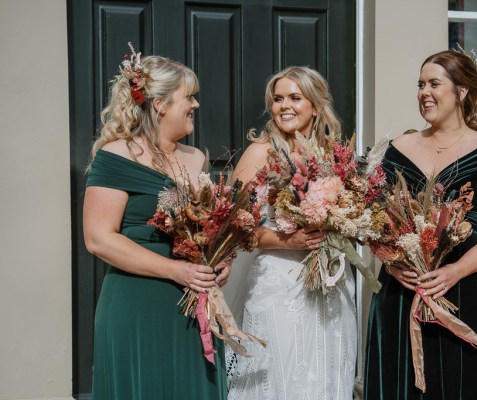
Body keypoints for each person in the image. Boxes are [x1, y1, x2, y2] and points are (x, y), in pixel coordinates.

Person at [363, 49, 477, 399]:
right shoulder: (396, 150)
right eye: (420, 84)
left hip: (464, 290)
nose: (424, 92)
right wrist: (390, 261)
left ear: (461, 91)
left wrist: (455, 271)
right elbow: (370, 220)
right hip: (402, 291)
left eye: (435, 83)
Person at [83, 46, 230, 399]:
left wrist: (220, 259)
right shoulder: (117, 155)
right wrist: (174, 270)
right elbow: (99, 239)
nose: (195, 105)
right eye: (188, 98)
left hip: (195, 304)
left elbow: (205, 228)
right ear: (161, 104)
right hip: (138, 303)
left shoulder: (196, 158)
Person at [227, 66, 358, 399]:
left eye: (295, 98)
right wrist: (288, 240)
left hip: (330, 285)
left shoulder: (334, 157)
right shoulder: (261, 152)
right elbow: (232, 223)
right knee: (279, 375)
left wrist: (346, 224)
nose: (284, 106)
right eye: (278, 99)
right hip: (278, 284)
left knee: (326, 373)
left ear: (315, 105)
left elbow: (354, 216)